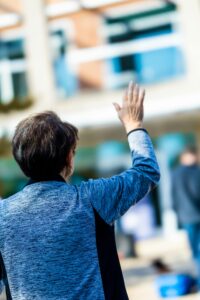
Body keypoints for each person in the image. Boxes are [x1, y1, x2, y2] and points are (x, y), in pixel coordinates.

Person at [0, 82, 160, 300]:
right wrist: (134, 125)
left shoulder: (3, 215)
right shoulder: (91, 199)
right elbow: (146, 172)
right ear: (68, 158)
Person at [171, 147, 200, 290]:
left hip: (187, 218)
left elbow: (174, 200)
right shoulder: (196, 172)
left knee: (196, 252)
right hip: (196, 216)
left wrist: (179, 218)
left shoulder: (175, 174)